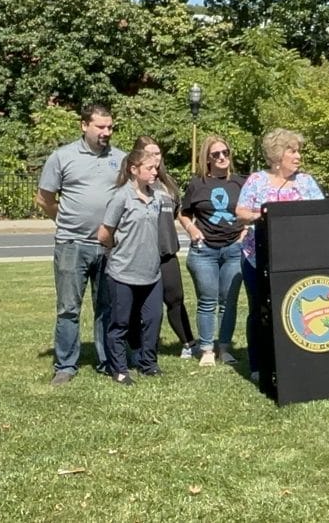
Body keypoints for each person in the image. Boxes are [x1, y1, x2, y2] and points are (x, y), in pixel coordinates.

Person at [36, 104, 125, 385]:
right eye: (100, 127)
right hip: (72, 245)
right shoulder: (62, 157)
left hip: (109, 247)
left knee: (108, 308)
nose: (106, 132)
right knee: (68, 308)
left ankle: (107, 361)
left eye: (110, 127)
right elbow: (44, 199)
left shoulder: (121, 159)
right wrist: (66, 222)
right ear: (84, 125)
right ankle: (65, 365)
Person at [235, 128, 324, 380]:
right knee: (259, 310)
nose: (298, 157)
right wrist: (260, 216)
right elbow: (240, 211)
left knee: (294, 308)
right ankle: (257, 364)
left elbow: (321, 213)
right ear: (276, 155)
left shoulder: (306, 182)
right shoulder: (256, 180)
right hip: (257, 256)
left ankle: (293, 359)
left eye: (299, 151)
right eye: (292, 151)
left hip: (296, 259)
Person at [98, 148, 164, 385]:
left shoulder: (156, 196)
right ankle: (120, 370)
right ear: (134, 170)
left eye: (155, 167)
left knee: (154, 318)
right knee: (120, 323)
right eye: (149, 168)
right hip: (123, 272)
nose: (155, 171)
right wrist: (116, 249)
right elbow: (104, 233)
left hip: (152, 273)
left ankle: (148, 364)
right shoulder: (121, 197)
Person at [179, 135, 245, 367]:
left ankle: (224, 348)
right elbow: (184, 212)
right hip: (204, 250)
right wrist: (190, 229)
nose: (222, 157)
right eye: (216, 154)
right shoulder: (198, 184)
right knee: (207, 301)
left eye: (225, 152)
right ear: (207, 159)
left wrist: (245, 231)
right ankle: (206, 349)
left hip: (234, 249)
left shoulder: (240, 182)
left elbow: (252, 209)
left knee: (228, 301)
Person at [132, 136, 197, 360]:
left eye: (158, 153)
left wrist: (192, 229)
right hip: (142, 253)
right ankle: (140, 346)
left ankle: (189, 343)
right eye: (149, 154)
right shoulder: (134, 184)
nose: (155, 158)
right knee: (142, 304)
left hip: (167, 251)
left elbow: (179, 212)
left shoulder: (167, 183)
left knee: (175, 298)